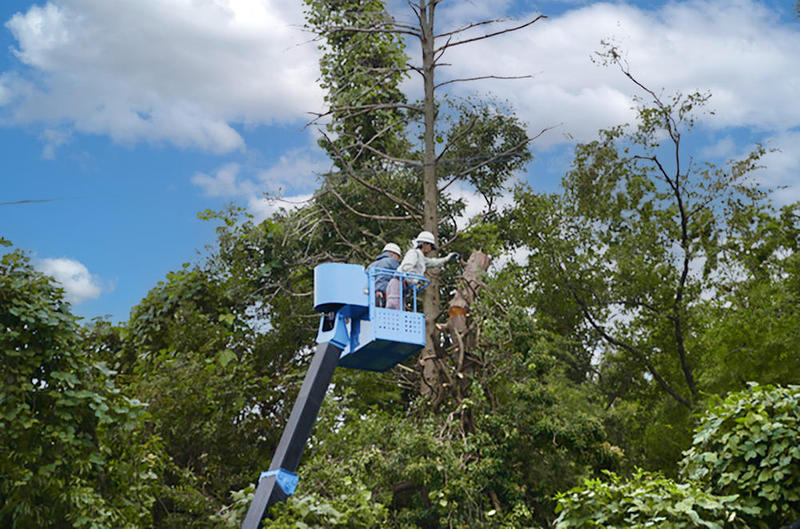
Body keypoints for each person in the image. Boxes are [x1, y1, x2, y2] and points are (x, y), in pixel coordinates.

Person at [386, 231, 458, 310]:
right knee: (394, 307)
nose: (431, 249)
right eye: (431, 246)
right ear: (425, 244)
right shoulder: (413, 253)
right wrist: (415, 279)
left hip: (402, 286)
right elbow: (407, 267)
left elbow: (433, 262)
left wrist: (447, 258)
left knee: (400, 309)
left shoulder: (421, 258)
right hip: (397, 283)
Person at [367, 242, 402, 307]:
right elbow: (400, 274)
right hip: (384, 294)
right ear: (392, 254)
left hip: (370, 296)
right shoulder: (392, 261)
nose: (398, 260)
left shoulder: (371, 265)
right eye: (398, 257)